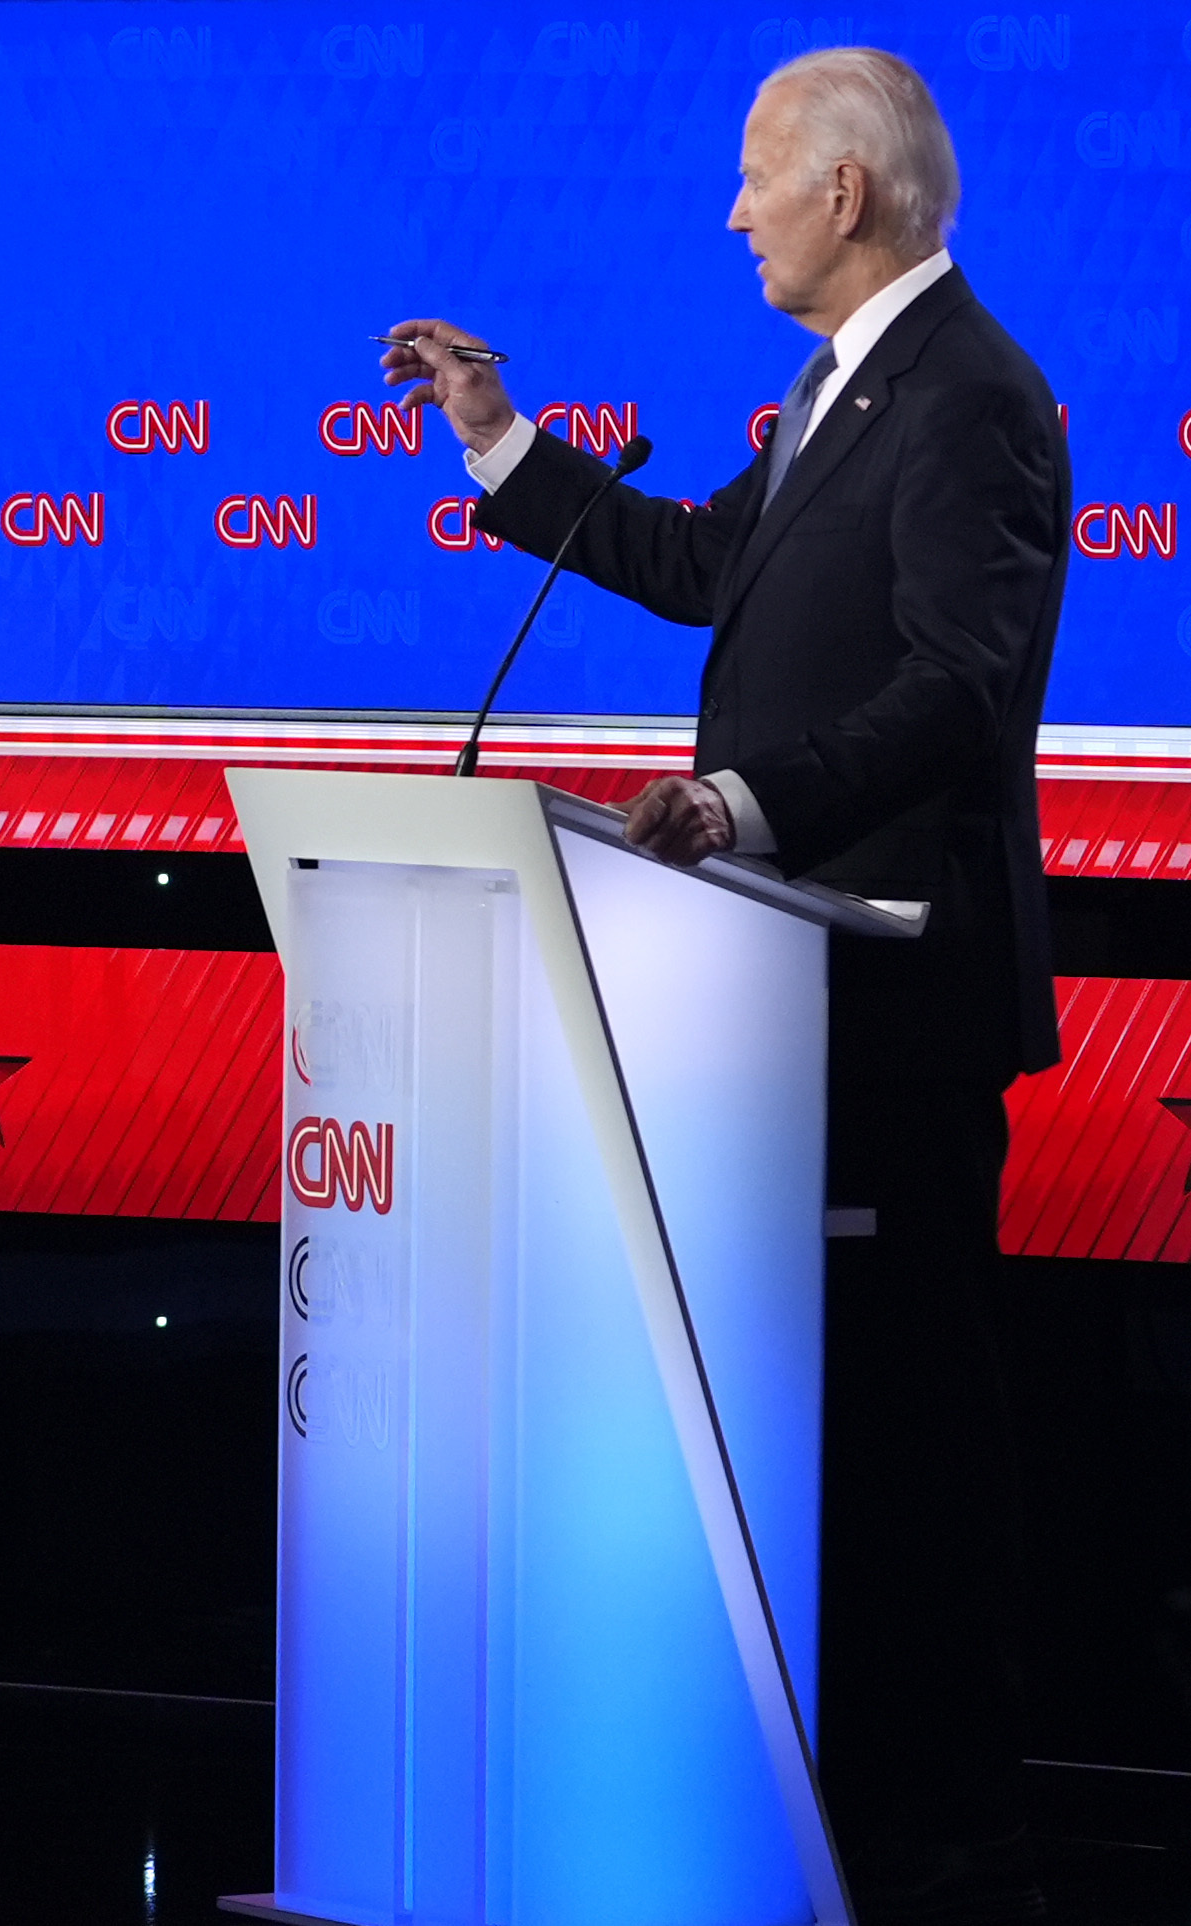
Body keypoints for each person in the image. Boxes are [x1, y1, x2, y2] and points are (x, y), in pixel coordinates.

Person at [383, 45, 1067, 1926]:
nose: (731, 207)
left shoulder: (972, 401)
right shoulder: (836, 392)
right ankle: (826, 1794)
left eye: (756, 175)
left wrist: (743, 800)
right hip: (783, 1010)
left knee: (918, 1426)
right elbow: (704, 567)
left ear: (843, 193)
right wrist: (502, 445)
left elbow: (956, 684)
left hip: (897, 1005)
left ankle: (955, 1820)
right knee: (830, 1425)